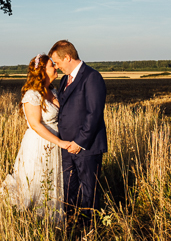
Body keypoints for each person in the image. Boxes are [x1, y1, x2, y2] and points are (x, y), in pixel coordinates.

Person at [1, 54, 71, 219]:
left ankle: (51, 218)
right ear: (42, 71)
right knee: (37, 180)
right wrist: (60, 142)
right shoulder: (32, 95)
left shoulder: (53, 91)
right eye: (52, 65)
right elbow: (35, 124)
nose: (56, 67)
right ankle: (32, 218)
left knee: (53, 180)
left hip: (54, 143)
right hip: (39, 143)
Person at [48, 40, 107, 227]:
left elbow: (94, 114)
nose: (56, 67)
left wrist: (79, 142)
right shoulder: (65, 79)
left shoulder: (92, 77)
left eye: (57, 62)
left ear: (67, 57)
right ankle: (71, 226)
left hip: (87, 147)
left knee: (90, 190)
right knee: (69, 189)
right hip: (66, 146)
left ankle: (90, 229)